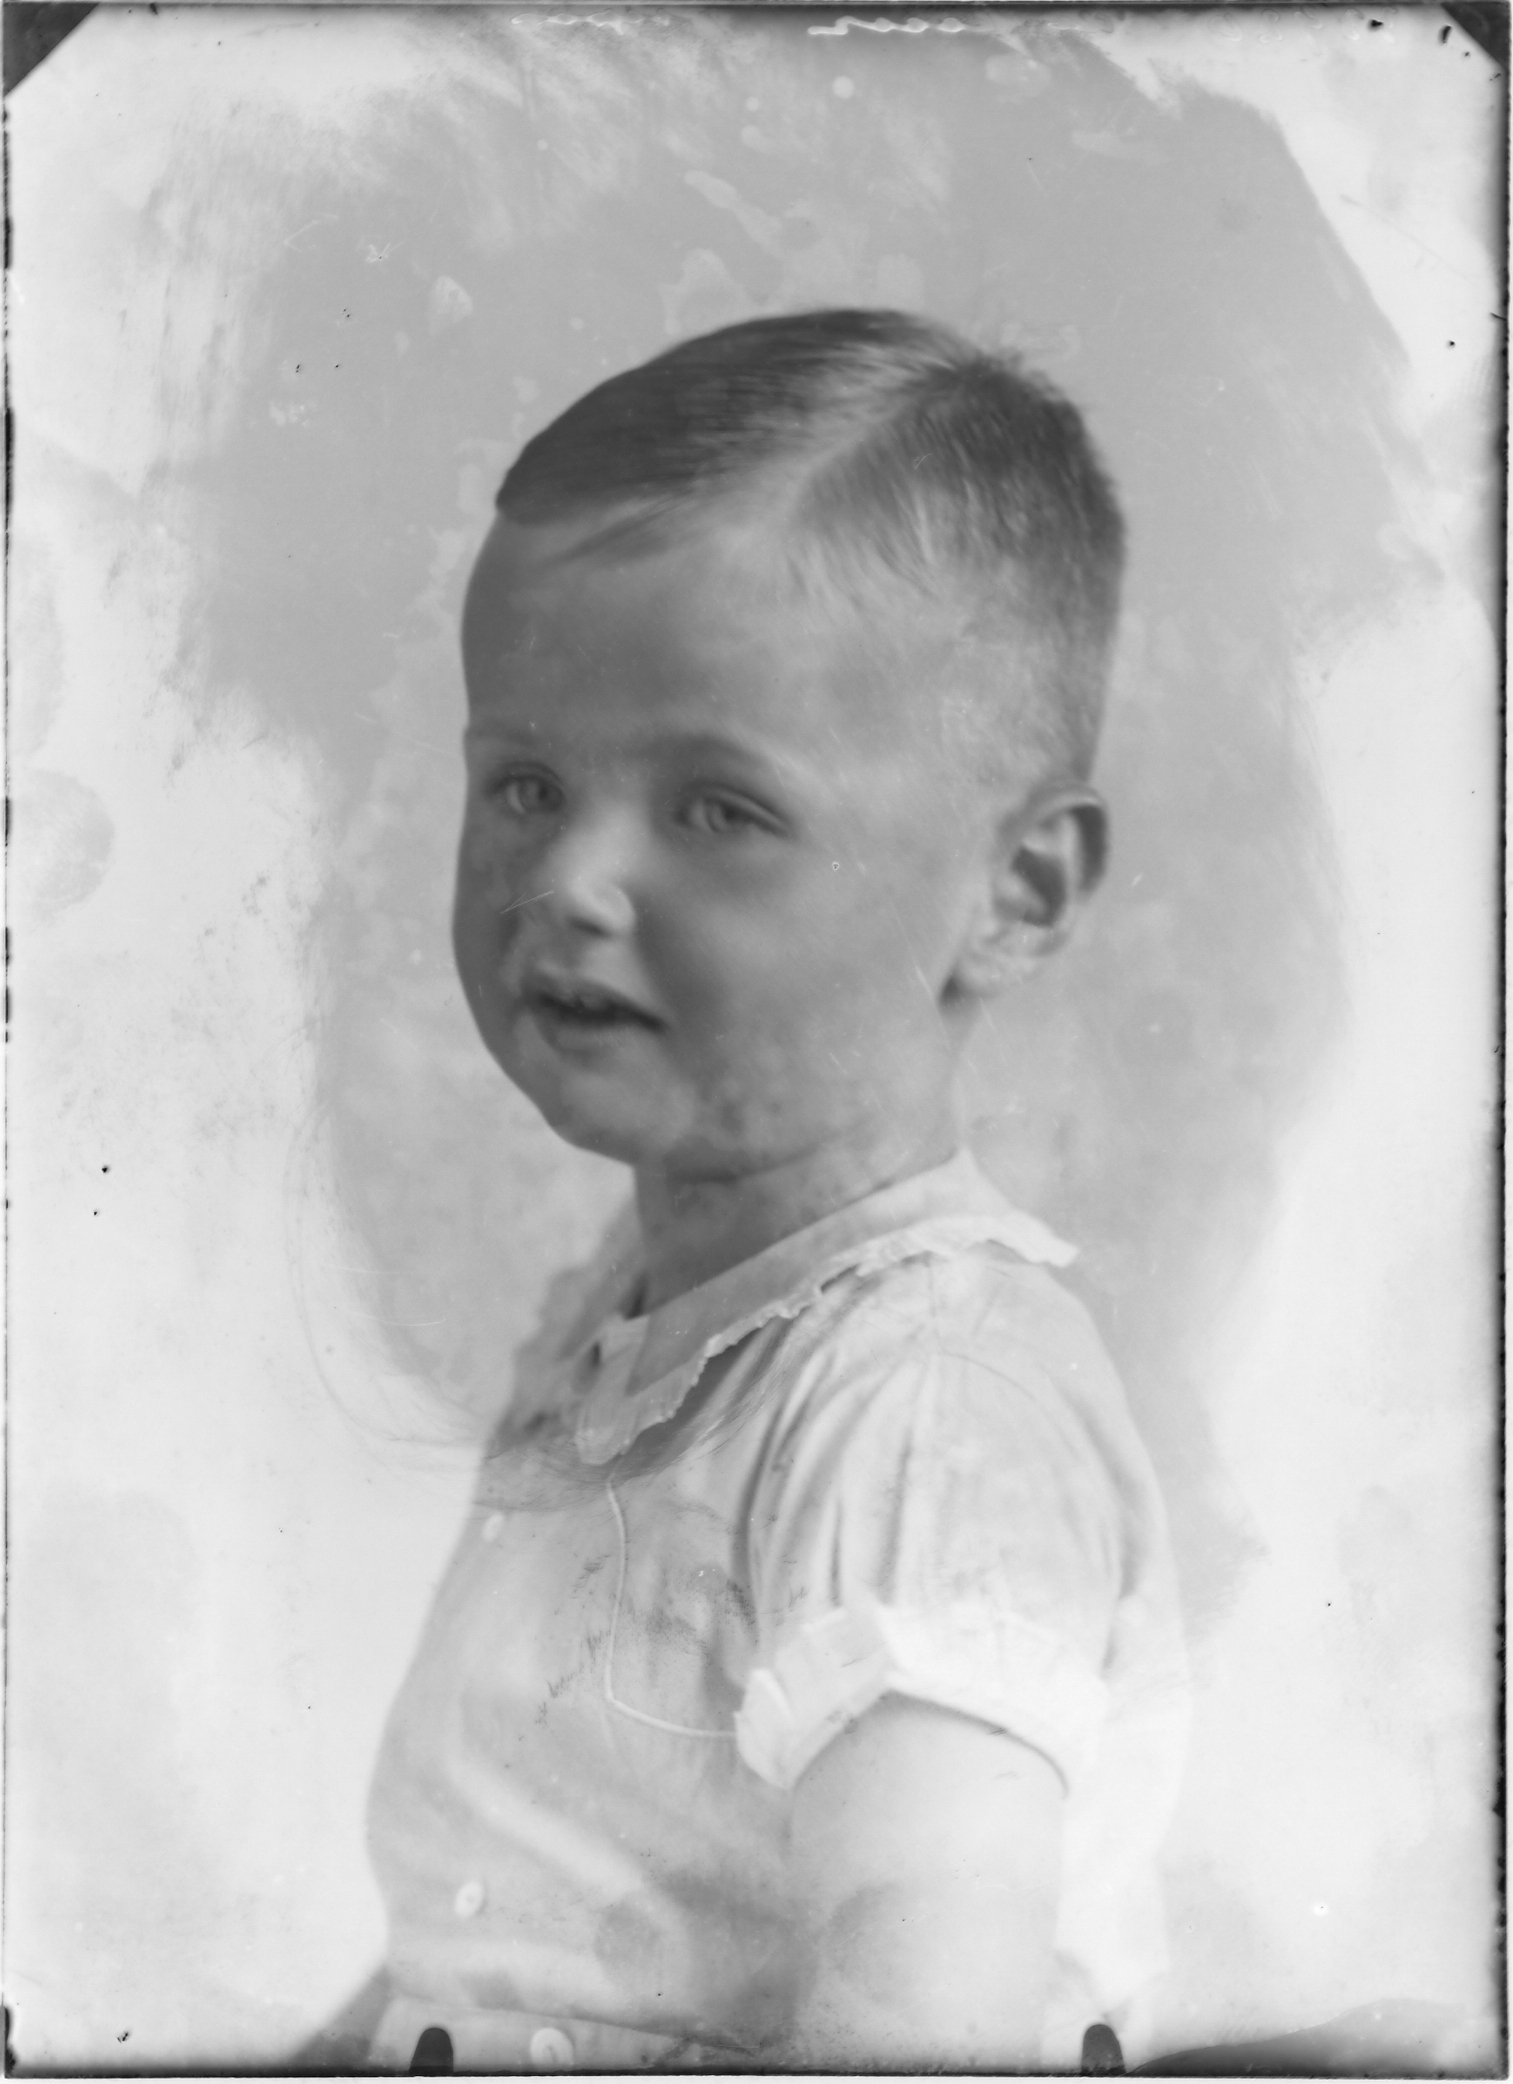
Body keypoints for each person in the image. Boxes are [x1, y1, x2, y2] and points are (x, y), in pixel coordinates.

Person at [314, 309, 1190, 2075]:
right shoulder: (641, 1322)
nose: (569, 880)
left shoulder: (920, 1411)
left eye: (716, 808)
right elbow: (478, 1938)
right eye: (525, 784)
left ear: (1015, 892)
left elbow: (918, 2034)